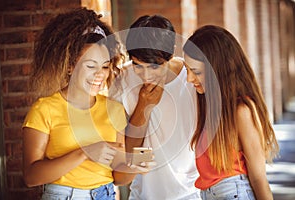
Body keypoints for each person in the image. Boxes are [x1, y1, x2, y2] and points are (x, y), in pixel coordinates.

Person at [22, 8, 149, 200]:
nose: (100, 74)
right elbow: (31, 177)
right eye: (90, 65)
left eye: (105, 66)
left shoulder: (114, 109)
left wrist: (135, 166)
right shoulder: (44, 109)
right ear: (70, 65)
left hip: (105, 194)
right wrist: (84, 153)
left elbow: (119, 178)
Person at [183, 25, 279, 200]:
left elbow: (258, 178)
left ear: (217, 69)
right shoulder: (212, 106)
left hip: (234, 193)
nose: (189, 79)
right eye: (186, 69)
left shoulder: (241, 110)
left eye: (196, 72)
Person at [109, 15, 201, 199]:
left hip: (192, 193)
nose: (146, 76)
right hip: (143, 194)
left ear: (171, 53)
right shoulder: (122, 81)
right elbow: (127, 154)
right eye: (138, 66)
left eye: (154, 67)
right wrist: (144, 107)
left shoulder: (192, 80)